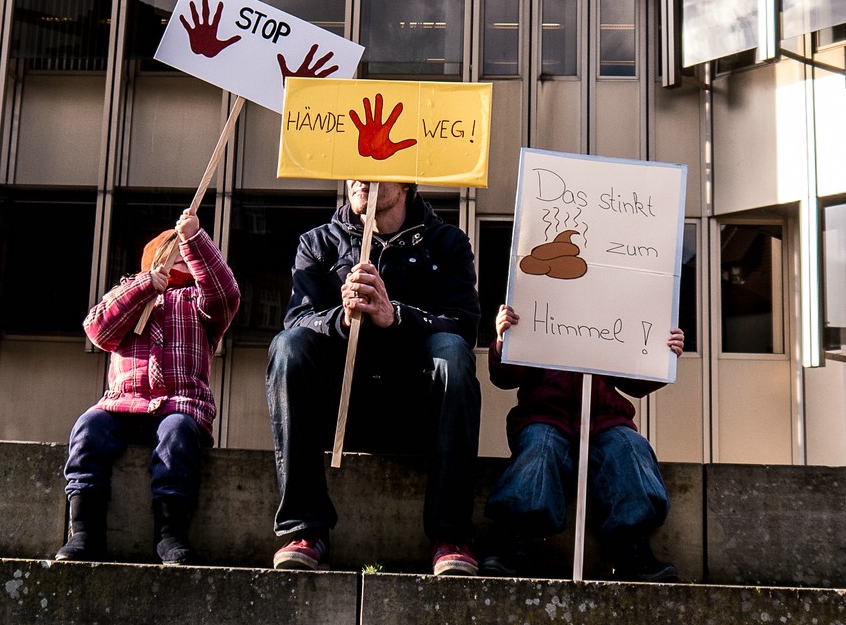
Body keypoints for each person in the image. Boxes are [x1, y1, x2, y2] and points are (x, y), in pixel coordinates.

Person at [266, 180, 482, 576]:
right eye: (352, 167)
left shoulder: (448, 242)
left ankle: (451, 535)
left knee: (453, 353)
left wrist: (394, 315)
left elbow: (463, 326)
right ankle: (304, 529)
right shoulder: (317, 243)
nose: (360, 177)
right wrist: (343, 319)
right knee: (287, 348)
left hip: (415, 410)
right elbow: (298, 321)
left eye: (374, 166)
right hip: (340, 413)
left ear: (406, 182)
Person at [54, 209, 239, 565]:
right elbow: (98, 329)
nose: (174, 267)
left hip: (179, 405)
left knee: (177, 437)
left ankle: (170, 535)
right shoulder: (129, 296)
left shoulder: (197, 304)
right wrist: (142, 288)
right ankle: (84, 532)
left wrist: (195, 239)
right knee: (88, 430)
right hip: (122, 404)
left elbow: (224, 293)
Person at [482, 303, 684, 581]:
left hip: (605, 419)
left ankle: (631, 547)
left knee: (630, 449)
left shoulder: (610, 305)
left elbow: (634, 382)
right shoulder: (537, 304)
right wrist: (505, 340)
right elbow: (504, 377)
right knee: (539, 450)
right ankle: (517, 540)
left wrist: (663, 353)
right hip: (545, 415)